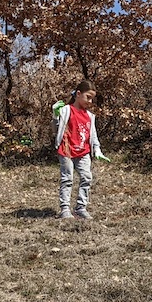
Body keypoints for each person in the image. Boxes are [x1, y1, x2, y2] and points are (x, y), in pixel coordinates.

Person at [54, 80, 109, 220]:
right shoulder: (66, 110)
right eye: (88, 97)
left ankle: (81, 208)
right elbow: (56, 129)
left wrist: (97, 149)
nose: (90, 101)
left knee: (87, 177)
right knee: (67, 179)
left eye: (92, 99)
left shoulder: (90, 116)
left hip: (83, 152)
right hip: (67, 150)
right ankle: (65, 209)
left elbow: (92, 134)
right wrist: (55, 115)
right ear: (78, 94)